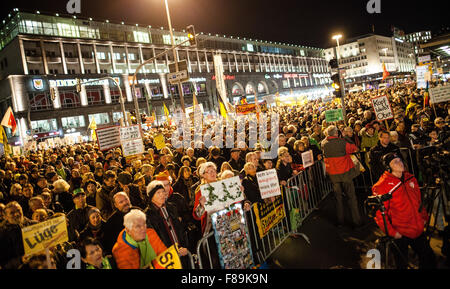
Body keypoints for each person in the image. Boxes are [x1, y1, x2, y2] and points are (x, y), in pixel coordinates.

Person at [372, 152, 436, 269]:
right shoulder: (381, 185)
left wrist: (424, 218)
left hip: (416, 227)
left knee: (429, 260)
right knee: (401, 264)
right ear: (388, 167)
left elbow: (418, 201)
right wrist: (392, 232)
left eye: (400, 160)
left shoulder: (410, 177)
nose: (400, 163)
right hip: (399, 232)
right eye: (395, 162)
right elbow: (380, 214)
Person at [321, 125, 362, 228]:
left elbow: (327, 139)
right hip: (345, 173)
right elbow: (355, 148)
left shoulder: (323, 143)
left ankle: (340, 221)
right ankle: (356, 221)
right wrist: (345, 137)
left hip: (333, 175)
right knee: (351, 197)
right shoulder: (342, 142)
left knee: (338, 198)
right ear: (336, 133)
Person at [144, 181, 190, 268]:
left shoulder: (172, 207)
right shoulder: (147, 215)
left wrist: (185, 247)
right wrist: (170, 252)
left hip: (181, 252)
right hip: (166, 258)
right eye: (158, 193)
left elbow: (181, 230)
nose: (162, 195)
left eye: (163, 192)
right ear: (151, 196)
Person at [0, 201, 37, 269]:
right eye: (12, 213)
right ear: (5, 217)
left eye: (18, 210)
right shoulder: (2, 234)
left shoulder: (35, 225)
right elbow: (3, 262)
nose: (16, 214)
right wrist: (21, 260)